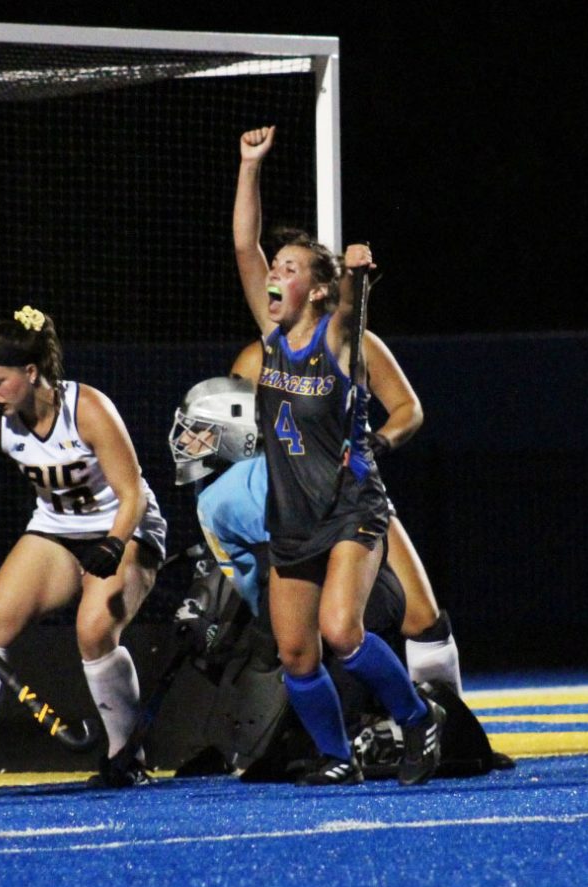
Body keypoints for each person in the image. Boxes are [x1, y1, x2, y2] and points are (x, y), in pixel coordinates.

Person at [232, 123, 445, 786]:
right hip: (293, 518)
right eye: (277, 268)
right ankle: (335, 756)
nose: (275, 274)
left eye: (290, 269)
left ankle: (417, 719)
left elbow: (353, 310)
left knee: (341, 632)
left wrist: (354, 276)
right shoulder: (270, 340)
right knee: (297, 652)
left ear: (317, 291)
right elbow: (244, 241)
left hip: (351, 506)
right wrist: (250, 167)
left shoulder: (340, 338)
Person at [0, 306, 168, 792]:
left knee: (94, 628)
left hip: (125, 527)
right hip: (57, 529)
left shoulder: (88, 410)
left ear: (32, 372)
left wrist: (113, 542)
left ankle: (127, 755)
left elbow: (134, 494)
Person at [181, 340, 463, 694]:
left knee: (423, 621)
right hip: (287, 510)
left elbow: (408, 408)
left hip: (353, 497)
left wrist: (382, 440)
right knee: (303, 640)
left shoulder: (357, 344)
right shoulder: (258, 358)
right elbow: (234, 435)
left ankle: (450, 729)